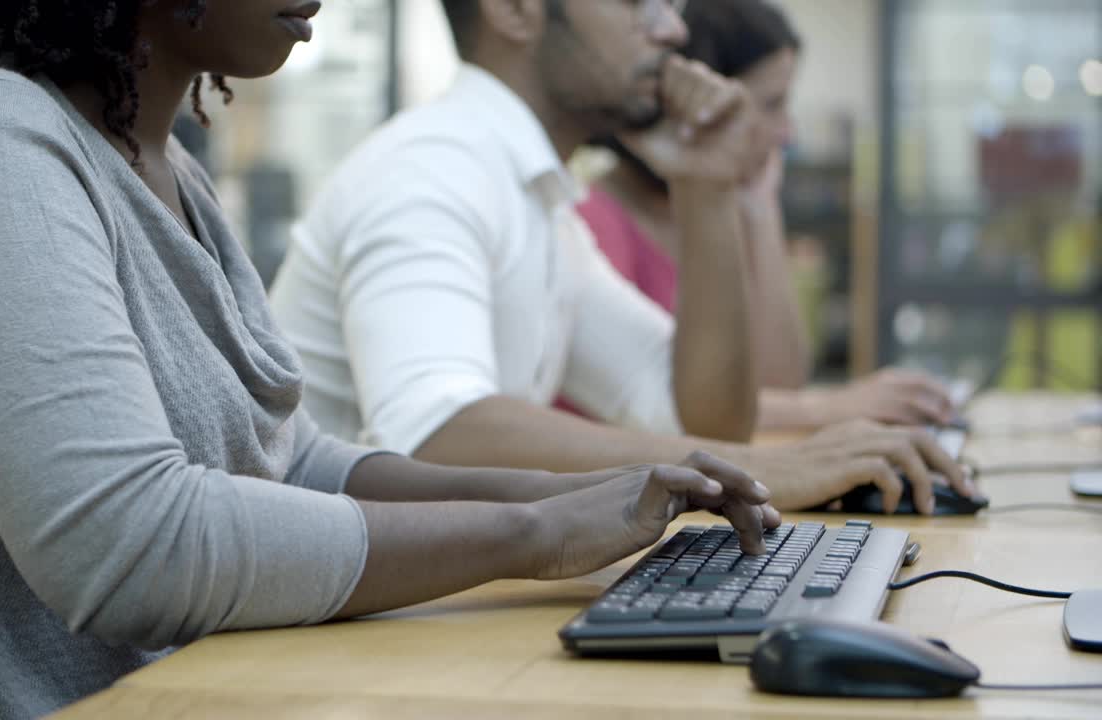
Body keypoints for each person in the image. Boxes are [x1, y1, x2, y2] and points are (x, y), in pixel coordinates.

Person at [0, 2, 779, 717]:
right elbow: (128, 544)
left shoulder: (168, 168)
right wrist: (534, 533)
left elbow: (293, 459)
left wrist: (575, 497)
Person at [269, 0, 979, 513]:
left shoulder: (540, 204)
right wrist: (770, 466)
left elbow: (702, 417)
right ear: (513, 10)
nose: (671, 30)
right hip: (320, 637)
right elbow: (433, 433)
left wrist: (706, 188)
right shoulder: (430, 168)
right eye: (636, 2)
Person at [580, 0, 957, 430]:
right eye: (772, 104)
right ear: (697, 99)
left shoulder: (720, 214)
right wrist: (832, 407)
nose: (787, 131)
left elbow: (781, 379)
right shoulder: (597, 221)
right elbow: (665, 411)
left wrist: (761, 207)